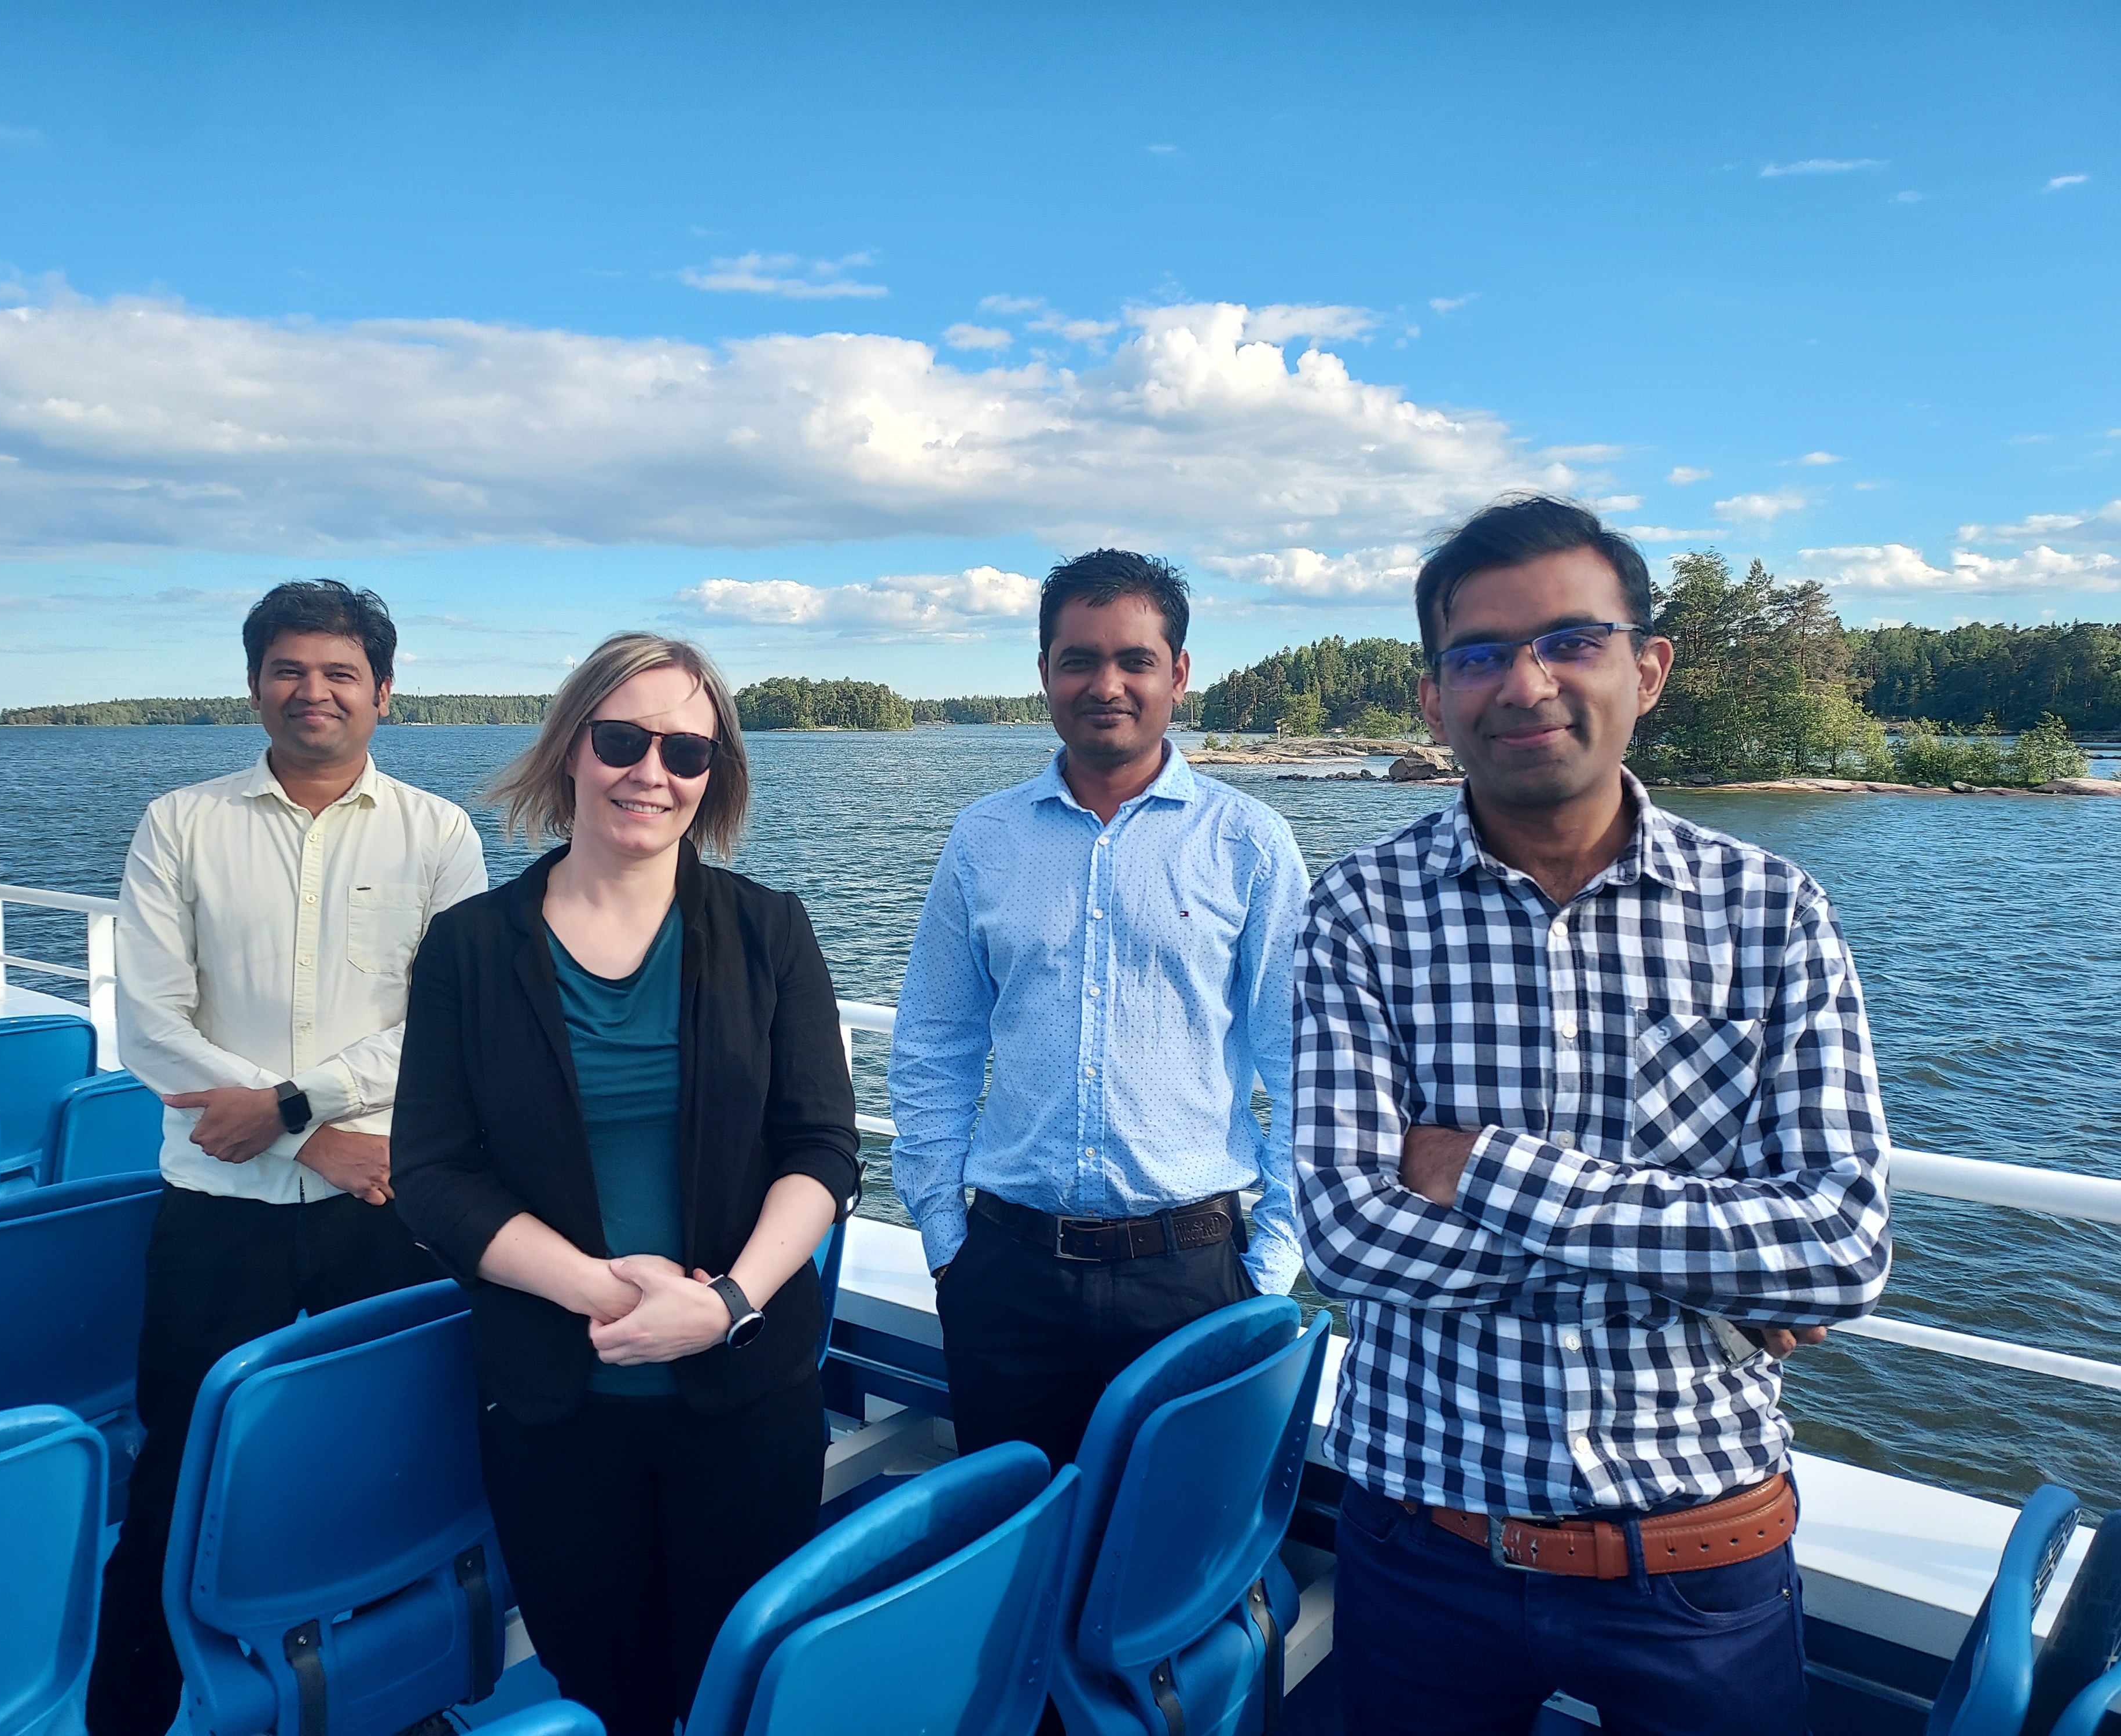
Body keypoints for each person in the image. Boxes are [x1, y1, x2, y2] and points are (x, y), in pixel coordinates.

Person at [1295, 496, 1892, 1736]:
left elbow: (1835, 1249)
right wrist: (1705, 1265)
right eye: (1479, 654)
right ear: (1431, 698)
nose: (1523, 684)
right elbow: (1348, 1238)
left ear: (1646, 666)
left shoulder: (1767, 912)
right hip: (1425, 1531)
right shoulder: (1360, 911)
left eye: (1568, 640)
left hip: (1698, 1546)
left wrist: (1480, 1166)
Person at [392, 632, 859, 1736]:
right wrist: (602, 1293)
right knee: (604, 1686)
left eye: (687, 752)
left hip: (747, 1398)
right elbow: (431, 1174)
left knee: (736, 1688)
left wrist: (728, 1304)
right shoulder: (468, 948)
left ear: (714, 779)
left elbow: (824, 1150)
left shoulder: (769, 931)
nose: (653, 771)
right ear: (570, 751)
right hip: (558, 1407)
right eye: (622, 739)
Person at [89, 580, 489, 1736]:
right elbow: (152, 1019)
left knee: (382, 1460)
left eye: (339, 672)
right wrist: (309, 1133)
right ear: (255, 681)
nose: (312, 692)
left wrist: (296, 1105)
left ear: (383, 693)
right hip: (219, 1205)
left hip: (379, 1208)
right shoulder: (182, 822)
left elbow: (449, 1023)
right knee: (181, 1476)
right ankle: (135, 1708)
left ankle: (385, 1700)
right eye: (288, 670)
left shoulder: (436, 834)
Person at [889, 549, 1308, 1474]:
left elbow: (1307, 1072)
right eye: (1078, 659)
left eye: (1134, 660)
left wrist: (1267, 1270)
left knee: (1178, 1558)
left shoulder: (1250, 844)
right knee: (1014, 1547)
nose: (1105, 684)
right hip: (1007, 1273)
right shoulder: (984, 838)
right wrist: (947, 1245)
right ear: (1044, 673)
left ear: (1179, 675)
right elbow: (935, 1044)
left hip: (1194, 1276)